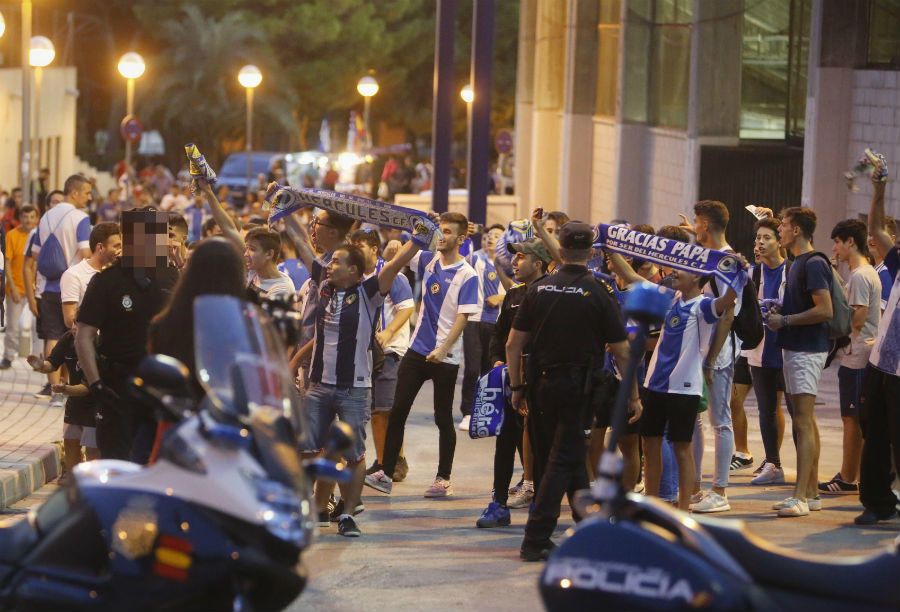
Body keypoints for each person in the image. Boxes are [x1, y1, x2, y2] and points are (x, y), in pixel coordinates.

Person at [506, 222, 640, 561]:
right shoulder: (599, 293)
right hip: (577, 390)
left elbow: (512, 344)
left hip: (540, 387)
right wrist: (633, 394)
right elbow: (622, 351)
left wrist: (518, 385)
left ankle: (589, 529)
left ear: (560, 251)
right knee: (563, 459)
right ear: (592, 253)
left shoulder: (538, 290)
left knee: (568, 458)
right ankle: (535, 538)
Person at [302, 240, 421, 537]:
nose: (330, 265)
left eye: (337, 261)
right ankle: (310, 510)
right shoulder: (324, 287)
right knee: (306, 450)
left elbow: (394, 265)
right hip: (318, 386)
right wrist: (287, 210)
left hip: (354, 389)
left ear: (354, 270)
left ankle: (348, 514)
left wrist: (417, 239)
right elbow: (303, 245)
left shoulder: (368, 293)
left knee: (354, 454)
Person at [365, 212, 479, 498]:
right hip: (416, 351)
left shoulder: (469, 274)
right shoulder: (428, 261)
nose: (442, 237)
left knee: (443, 418)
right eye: (440, 231)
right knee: (398, 410)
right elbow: (394, 251)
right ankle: (385, 472)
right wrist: (421, 227)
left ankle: (443, 478)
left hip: (445, 356)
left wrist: (443, 349)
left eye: (448, 232)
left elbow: (463, 318)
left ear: (462, 239)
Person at [75, 209, 179, 462]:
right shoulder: (107, 281)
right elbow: (83, 336)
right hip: (118, 389)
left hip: (160, 390)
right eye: (156, 235)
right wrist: (96, 384)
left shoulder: (171, 276)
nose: (164, 242)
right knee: (117, 462)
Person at [475, 238, 552, 528]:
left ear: (539, 263)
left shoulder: (552, 294)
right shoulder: (514, 294)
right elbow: (499, 334)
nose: (515, 263)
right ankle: (498, 503)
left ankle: (541, 506)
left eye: (521, 257)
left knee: (542, 443)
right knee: (505, 441)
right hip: (511, 380)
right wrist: (497, 360)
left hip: (541, 382)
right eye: (514, 257)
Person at [766, 207, 833, 517]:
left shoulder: (814, 263)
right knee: (805, 421)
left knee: (803, 422)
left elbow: (825, 310)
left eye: (784, 225)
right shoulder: (797, 264)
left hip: (807, 350)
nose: (780, 229)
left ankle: (800, 498)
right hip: (797, 347)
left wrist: (787, 319)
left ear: (796, 230)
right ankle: (812, 492)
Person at [684, 200, 739, 514]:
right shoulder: (708, 258)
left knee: (720, 421)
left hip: (718, 353)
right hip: (699, 349)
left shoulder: (728, 261)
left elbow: (729, 315)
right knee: (694, 421)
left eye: (695, 221)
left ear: (704, 222)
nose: (694, 226)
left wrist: (710, 358)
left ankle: (720, 490)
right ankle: (694, 488)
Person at [820, 220, 881, 495]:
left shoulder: (859, 276)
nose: (835, 248)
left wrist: (834, 324)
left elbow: (856, 317)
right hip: (862, 352)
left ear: (850, 243)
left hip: (857, 353)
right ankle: (852, 475)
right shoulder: (864, 273)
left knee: (852, 419)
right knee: (855, 418)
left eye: (838, 242)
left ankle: (847, 477)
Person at [349, 229, 415, 483]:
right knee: (375, 411)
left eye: (361, 246)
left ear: (374, 249)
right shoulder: (354, 275)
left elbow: (406, 308)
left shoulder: (390, 274)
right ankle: (381, 460)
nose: (356, 250)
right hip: (362, 352)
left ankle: (396, 460)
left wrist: (388, 332)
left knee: (387, 410)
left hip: (389, 351)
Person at [857, 161, 900, 525]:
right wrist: (880, 192)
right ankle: (877, 501)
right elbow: (875, 229)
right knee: (873, 434)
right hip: (881, 363)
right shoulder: (898, 262)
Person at [28, 175, 93, 408]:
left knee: (52, 336)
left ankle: (55, 390)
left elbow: (36, 253)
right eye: (86, 192)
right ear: (74, 193)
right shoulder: (80, 218)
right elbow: (86, 253)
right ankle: (69, 384)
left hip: (47, 285)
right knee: (74, 335)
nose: (89, 197)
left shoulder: (46, 216)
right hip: (72, 285)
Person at [746, 217, 792, 486]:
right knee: (766, 409)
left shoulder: (793, 270)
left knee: (797, 412)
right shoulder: (753, 273)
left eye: (766, 238)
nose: (760, 243)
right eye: (757, 239)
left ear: (779, 241)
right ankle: (773, 463)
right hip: (760, 349)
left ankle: (806, 469)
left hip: (788, 349)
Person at [27, 330, 99, 474]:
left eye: (80, 324)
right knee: (70, 441)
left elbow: (86, 388)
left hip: (96, 405)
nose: (75, 328)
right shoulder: (68, 338)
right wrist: (41, 365)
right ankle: (72, 479)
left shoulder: (100, 343)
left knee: (93, 451)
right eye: (74, 323)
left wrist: (65, 389)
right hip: (75, 403)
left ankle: (91, 485)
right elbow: (52, 363)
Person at [459, 224, 506, 430]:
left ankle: (485, 411)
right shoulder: (475, 257)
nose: (490, 238)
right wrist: (465, 238)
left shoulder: (508, 263)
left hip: (496, 322)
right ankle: (468, 412)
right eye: (488, 235)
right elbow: (460, 260)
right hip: (474, 320)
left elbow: (519, 288)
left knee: (490, 371)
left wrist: (501, 297)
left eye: (496, 236)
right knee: (471, 369)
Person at [60, 223, 121, 330]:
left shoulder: (120, 272)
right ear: (100, 247)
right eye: (116, 246)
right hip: (90, 341)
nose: (120, 251)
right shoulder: (74, 275)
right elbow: (70, 319)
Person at [1, 205, 39, 369]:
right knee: (13, 327)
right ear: (20, 218)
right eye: (25, 217)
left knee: (37, 328)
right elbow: (7, 262)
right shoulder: (12, 235)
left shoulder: (40, 235)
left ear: (36, 218)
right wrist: (13, 288)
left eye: (32, 217)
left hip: (36, 289)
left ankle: (39, 359)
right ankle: (8, 357)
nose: (28, 220)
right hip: (15, 288)